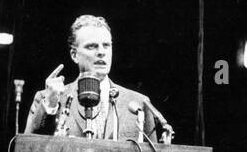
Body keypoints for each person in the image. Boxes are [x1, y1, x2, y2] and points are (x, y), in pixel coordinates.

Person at [24, 15, 160, 141]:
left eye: (106, 45)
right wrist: (50, 105)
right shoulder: (47, 99)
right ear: (74, 55)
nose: (101, 52)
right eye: (92, 46)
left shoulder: (139, 103)